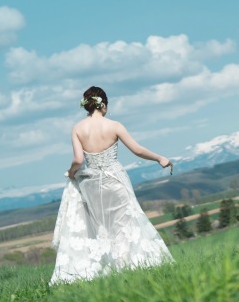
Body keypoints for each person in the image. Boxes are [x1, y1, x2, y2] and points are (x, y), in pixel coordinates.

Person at [49, 86, 174, 284]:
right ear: (104, 105)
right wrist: (160, 158)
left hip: (92, 185)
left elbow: (78, 160)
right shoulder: (114, 125)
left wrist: (71, 172)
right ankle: (131, 265)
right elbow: (137, 150)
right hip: (115, 180)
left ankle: (111, 267)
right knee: (125, 225)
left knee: (102, 228)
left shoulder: (78, 129)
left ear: (87, 106)